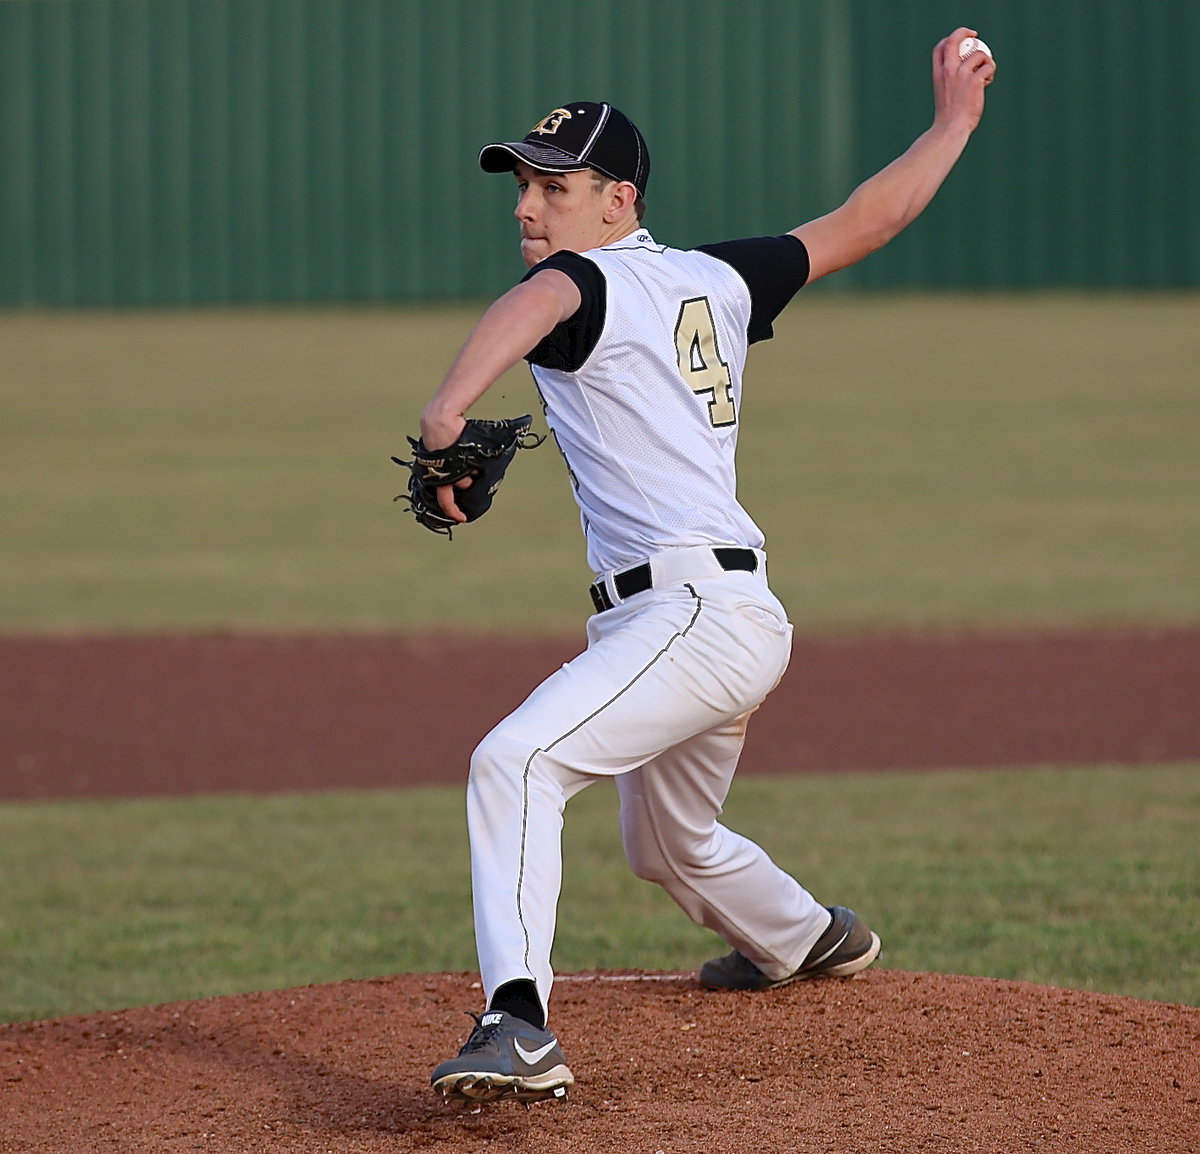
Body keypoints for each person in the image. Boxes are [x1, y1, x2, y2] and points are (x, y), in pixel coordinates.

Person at [419, 28, 995, 1104]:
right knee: (667, 843)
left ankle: (518, 1021)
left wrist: (447, 406)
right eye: (523, 184)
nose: (527, 206)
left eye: (555, 184)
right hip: (714, 613)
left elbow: (538, 304)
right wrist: (953, 125)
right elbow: (870, 218)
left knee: (517, 760)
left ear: (619, 200)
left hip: (690, 615)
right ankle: (808, 934)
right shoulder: (717, 276)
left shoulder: (581, 285)